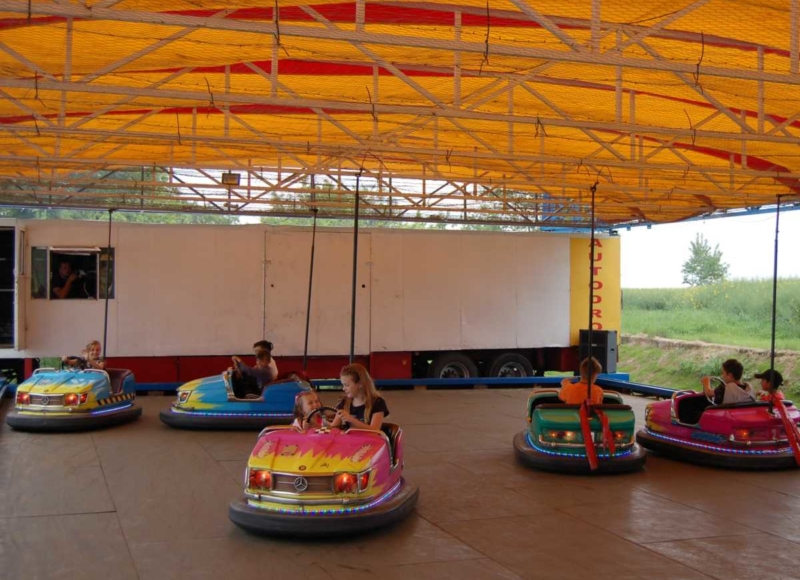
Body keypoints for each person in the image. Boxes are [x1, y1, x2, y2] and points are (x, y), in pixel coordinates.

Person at [331, 363, 388, 431]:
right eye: (343, 385)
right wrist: (322, 422)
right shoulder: (344, 402)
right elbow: (333, 428)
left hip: (369, 438)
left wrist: (352, 420)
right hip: (350, 438)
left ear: (360, 384)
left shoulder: (378, 403)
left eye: (347, 385)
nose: (343, 388)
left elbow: (375, 430)